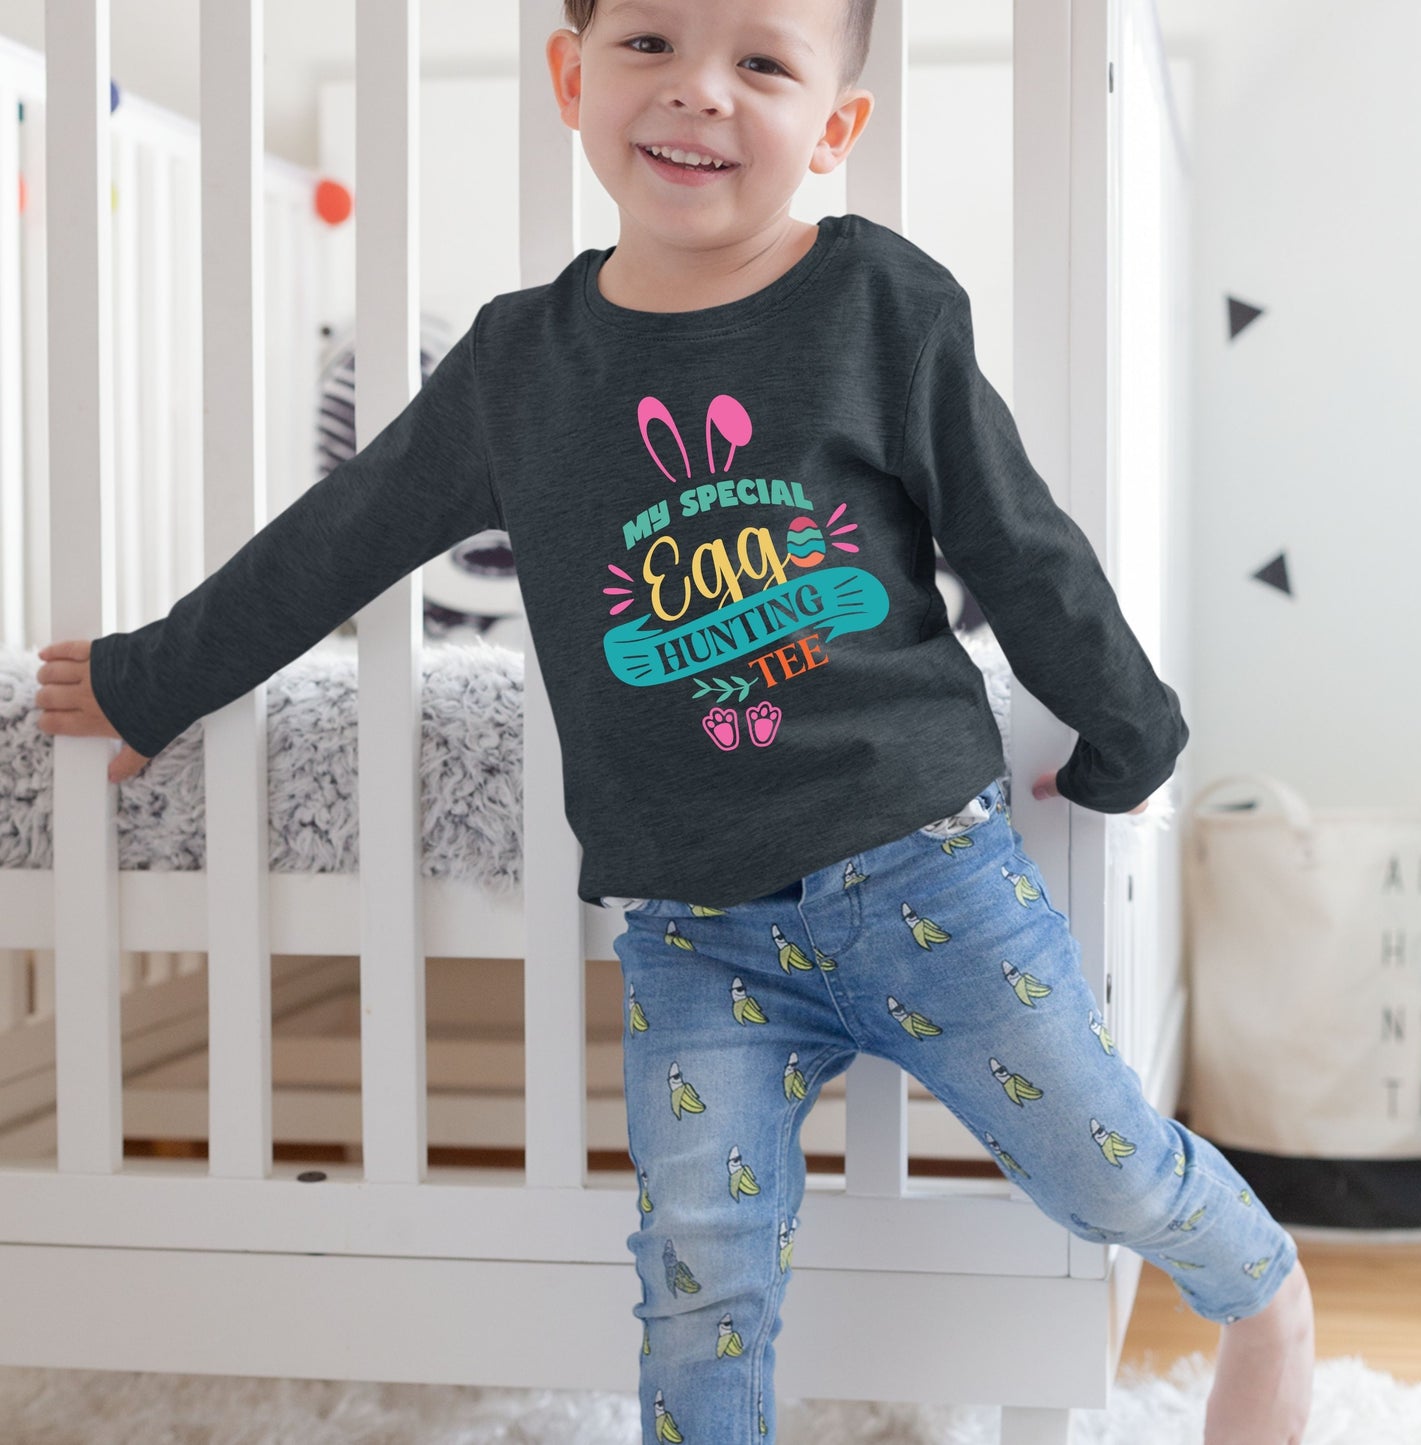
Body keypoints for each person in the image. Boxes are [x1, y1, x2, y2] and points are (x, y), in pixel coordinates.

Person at [33, 0, 1314, 1440]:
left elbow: (1021, 544)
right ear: (570, 73)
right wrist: (156, 676)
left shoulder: (881, 306)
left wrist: (1128, 732)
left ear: (834, 125)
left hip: (925, 873)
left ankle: (1261, 1288)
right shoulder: (520, 366)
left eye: (759, 61)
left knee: (1105, 1166)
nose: (699, 90)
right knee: (698, 1285)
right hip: (697, 930)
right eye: (649, 42)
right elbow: (342, 534)